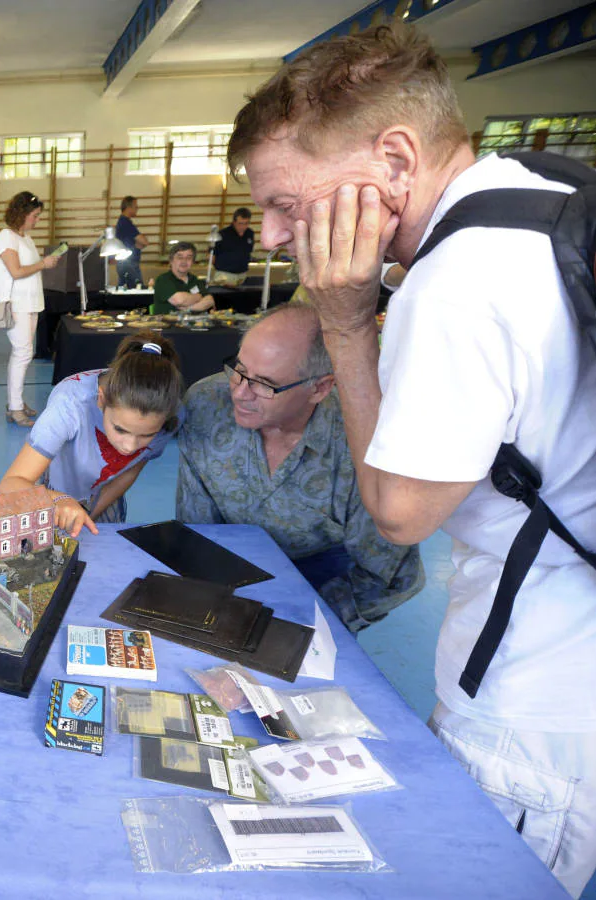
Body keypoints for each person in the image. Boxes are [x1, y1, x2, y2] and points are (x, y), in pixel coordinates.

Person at [229, 23, 596, 896]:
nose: (276, 236)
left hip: (533, 697)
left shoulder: (454, 284)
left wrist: (348, 322)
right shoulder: (538, 189)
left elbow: (398, 515)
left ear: (394, 157)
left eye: (287, 202)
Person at [176, 302, 423, 631]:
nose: (239, 392)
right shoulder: (206, 404)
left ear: (320, 387)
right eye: (238, 369)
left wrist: (305, 622)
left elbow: (391, 576)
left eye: (265, 384)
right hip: (229, 562)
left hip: (322, 573)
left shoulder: (359, 444)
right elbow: (198, 529)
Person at [0, 330, 184, 536]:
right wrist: (58, 499)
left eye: (147, 435)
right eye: (120, 429)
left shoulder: (173, 414)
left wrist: (89, 517)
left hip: (104, 499)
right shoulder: (69, 404)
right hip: (57, 492)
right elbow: (10, 484)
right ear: (101, 400)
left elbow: (129, 470)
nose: (129, 446)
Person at [0, 191, 59, 427]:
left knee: (23, 354)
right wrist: (43, 263)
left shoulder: (26, 238)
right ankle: (14, 407)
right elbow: (16, 271)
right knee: (22, 354)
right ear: (22, 214)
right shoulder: (6, 237)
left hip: (30, 303)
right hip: (16, 304)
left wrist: (44, 264)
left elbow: (29, 269)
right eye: (34, 215)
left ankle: (17, 403)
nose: (37, 220)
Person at [150, 242, 215, 314]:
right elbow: (179, 300)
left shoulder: (194, 280)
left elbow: (210, 301)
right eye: (180, 257)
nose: (184, 261)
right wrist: (198, 297)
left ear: (193, 262)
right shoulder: (163, 279)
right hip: (168, 324)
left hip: (193, 324)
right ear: (171, 261)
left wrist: (188, 308)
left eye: (189, 257)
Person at [209, 208, 256, 287]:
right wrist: (221, 270)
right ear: (234, 222)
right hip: (225, 275)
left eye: (246, 223)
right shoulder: (222, 234)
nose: (243, 226)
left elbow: (249, 251)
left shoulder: (250, 233)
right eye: (240, 223)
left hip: (242, 275)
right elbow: (212, 256)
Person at [114, 196, 149, 288]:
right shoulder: (125, 223)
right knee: (137, 290)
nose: (137, 209)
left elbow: (141, 243)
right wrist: (137, 245)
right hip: (128, 263)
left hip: (126, 263)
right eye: (135, 207)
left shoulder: (124, 222)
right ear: (128, 207)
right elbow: (144, 242)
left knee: (124, 292)